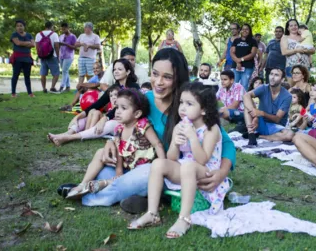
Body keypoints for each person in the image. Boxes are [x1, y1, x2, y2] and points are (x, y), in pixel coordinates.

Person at [63, 48, 236, 211]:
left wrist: (221, 173)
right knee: (105, 168)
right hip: (135, 162)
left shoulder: (189, 105)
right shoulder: (143, 100)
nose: (158, 82)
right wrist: (112, 142)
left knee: (149, 172)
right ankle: (138, 195)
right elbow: (124, 122)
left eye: (167, 77)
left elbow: (226, 142)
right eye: (155, 74)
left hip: (168, 170)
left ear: (178, 78)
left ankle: (92, 197)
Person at [128, 82, 230, 238]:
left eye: (189, 104)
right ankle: (152, 213)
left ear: (203, 109)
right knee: (158, 164)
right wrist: (175, 143)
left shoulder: (211, 129)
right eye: (181, 102)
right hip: (185, 167)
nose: (182, 108)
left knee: (188, 166)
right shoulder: (180, 126)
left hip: (207, 171)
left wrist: (192, 137)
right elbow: (172, 158)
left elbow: (202, 159)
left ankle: (184, 218)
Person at [65, 88, 165, 199]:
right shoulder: (119, 128)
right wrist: (119, 171)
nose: (117, 111)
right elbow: (118, 150)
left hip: (142, 169)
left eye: (123, 108)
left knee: (129, 180)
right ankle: (83, 184)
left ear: (137, 113)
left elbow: (157, 144)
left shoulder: (142, 125)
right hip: (127, 167)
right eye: (117, 107)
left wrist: (163, 165)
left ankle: (105, 184)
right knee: (100, 152)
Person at [48, 59, 138, 146]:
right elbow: (98, 104)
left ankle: (69, 138)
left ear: (128, 72)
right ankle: (66, 134)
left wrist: (105, 118)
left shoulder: (134, 88)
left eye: (120, 69)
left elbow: (121, 108)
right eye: (114, 69)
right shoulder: (114, 87)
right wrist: (78, 116)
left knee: (109, 124)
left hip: (126, 124)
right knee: (85, 118)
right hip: (112, 118)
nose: (116, 71)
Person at [243, 68, 294, 145]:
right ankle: (251, 134)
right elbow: (246, 96)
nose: (272, 77)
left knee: (290, 135)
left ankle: (260, 136)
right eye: (271, 74)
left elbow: (277, 119)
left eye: (276, 75)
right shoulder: (263, 87)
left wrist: (262, 113)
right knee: (247, 107)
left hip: (275, 127)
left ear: (282, 79)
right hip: (258, 122)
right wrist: (255, 116)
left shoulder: (287, 96)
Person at [280, 19, 315, 85]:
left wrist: (305, 50)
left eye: (295, 25)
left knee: (303, 89)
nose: (294, 27)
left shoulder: (304, 36)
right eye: (291, 25)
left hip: (305, 66)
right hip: (291, 66)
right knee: (293, 89)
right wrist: (296, 50)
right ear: (288, 28)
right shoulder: (285, 37)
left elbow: (313, 50)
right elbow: (284, 52)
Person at [10, 19, 35, 98]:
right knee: (15, 75)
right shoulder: (14, 35)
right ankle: (13, 93)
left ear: (24, 26)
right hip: (17, 58)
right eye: (17, 26)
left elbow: (33, 45)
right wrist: (28, 43)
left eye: (21, 26)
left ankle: (30, 93)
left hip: (27, 58)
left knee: (27, 76)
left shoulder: (29, 35)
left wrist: (23, 44)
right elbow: (18, 43)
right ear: (16, 27)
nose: (19, 27)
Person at [230, 24, 258, 91]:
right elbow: (232, 52)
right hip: (236, 66)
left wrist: (241, 60)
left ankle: (243, 101)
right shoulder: (236, 40)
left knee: (244, 85)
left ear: (250, 31)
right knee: (234, 84)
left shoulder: (253, 41)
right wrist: (237, 61)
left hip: (247, 67)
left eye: (247, 29)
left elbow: (252, 54)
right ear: (240, 30)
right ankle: (233, 100)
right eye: (243, 29)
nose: (244, 31)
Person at [35, 21, 60, 93]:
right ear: (52, 26)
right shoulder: (54, 34)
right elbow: (56, 46)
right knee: (56, 73)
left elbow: (37, 46)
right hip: (52, 56)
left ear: (45, 26)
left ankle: (44, 88)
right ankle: (52, 87)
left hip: (43, 56)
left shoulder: (38, 34)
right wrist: (58, 56)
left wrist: (39, 55)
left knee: (43, 73)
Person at [58, 22, 77, 92]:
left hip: (69, 56)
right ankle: (68, 87)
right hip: (61, 56)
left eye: (64, 29)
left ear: (68, 28)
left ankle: (61, 86)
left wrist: (66, 44)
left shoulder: (73, 36)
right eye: (62, 29)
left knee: (64, 71)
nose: (63, 30)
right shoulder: (61, 36)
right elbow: (59, 45)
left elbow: (75, 47)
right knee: (66, 71)